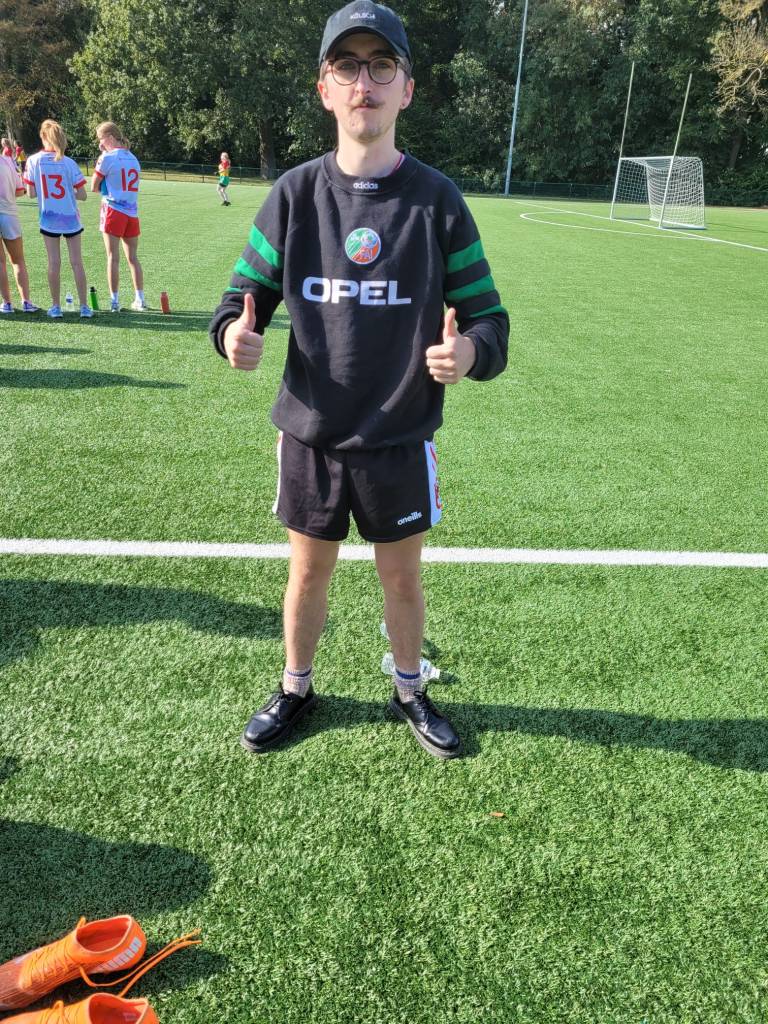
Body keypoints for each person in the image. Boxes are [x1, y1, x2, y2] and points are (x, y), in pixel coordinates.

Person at [208, 0, 508, 760]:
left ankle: (409, 687)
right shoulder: (295, 195)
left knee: (402, 581)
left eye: (381, 66)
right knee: (307, 575)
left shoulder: (437, 202)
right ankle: (296, 686)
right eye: (347, 66)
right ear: (325, 89)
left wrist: (469, 356)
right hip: (311, 433)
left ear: (407, 88)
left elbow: (489, 321)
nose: (363, 83)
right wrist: (234, 335)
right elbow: (237, 302)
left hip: (400, 435)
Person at [24, 120, 92, 319]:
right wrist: (68, 193)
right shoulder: (69, 162)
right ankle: (84, 307)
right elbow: (83, 195)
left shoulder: (33, 161)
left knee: (54, 262)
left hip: (49, 218)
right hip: (71, 218)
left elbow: (30, 193)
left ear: (43, 137)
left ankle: (56, 307)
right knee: (77, 262)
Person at [90, 121, 146, 312]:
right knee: (133, 258)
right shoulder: (133, 157)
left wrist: (102, 155)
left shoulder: (107, 157)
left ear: (110, 137)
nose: (100, 143)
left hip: (113, 210)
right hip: (132, 212)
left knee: (112, 257)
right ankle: (140, 299)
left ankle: (114, 301)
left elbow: (93, 186)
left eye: (101, 139)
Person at [0, 153, 41, 313]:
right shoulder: (8, 161)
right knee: (18, 260)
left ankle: (7, 303)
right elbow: (20, 191)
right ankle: (26, 302)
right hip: (9, 214)